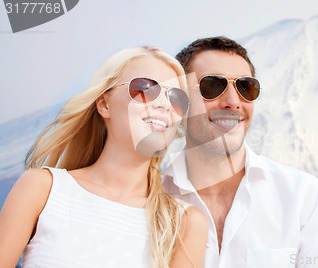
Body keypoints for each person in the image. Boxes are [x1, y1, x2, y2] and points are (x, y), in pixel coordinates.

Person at [0, 46, 208, 268]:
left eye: (176, 98)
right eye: (145, 88)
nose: (164, 104)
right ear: (104, 104)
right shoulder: (42, 189)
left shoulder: (185, 223)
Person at [162, 37, 318, 267]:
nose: (233, 102)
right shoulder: (149, 201)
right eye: (212, 86)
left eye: (245, 87)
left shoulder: (304, 197)